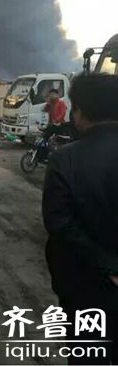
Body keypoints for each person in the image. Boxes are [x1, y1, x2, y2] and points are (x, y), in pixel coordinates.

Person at [42, 73, 118, 365]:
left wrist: (109, 265)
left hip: (84, 287)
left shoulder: (66, 159)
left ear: (81, 112)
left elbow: (59, 223)